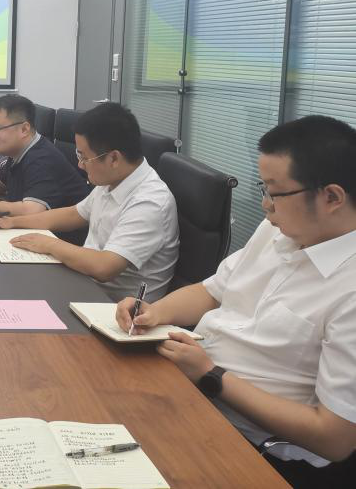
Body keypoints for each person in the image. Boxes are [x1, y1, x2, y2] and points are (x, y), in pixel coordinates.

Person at [115, 116, 356, 486]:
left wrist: (212, 375)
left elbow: (334, 438)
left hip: (251, 447)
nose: (265, 205)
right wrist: (154, 311)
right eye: (264, 188)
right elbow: (211, 291)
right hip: (190, 392)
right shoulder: (279, 230)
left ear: (332, 198)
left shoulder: (348, 288)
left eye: (275, 193)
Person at [0, 102, 178, 301]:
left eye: (84, 157)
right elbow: (73, 214)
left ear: (113, 159)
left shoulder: (149, 202)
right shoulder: (113, 179)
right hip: (84, 285)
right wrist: (12, 222)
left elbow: (104, 267)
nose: (80, 165)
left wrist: (49, 244)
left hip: (112, 306)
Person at [0, 95, 90, 243]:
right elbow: (0, 178)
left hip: (66, 242)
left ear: (24, 129)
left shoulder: (42, 159)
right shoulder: (18, 151)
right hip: (35, 235)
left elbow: (32, 211)